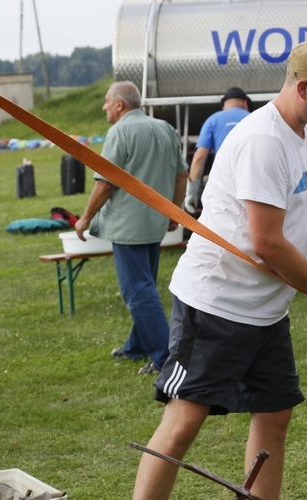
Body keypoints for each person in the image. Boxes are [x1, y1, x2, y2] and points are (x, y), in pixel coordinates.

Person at [132, 39, 307, 500]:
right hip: (216, 303)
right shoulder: (262, 141)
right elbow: (268, 243)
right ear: (305, 87)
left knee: (274, 413)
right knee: (183, 423)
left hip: (265, 312)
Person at [75, 81, 188, 375]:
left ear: (120, 105)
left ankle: (166, 359)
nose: (104, 108)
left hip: (129, 226)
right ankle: (136, 347)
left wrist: (85, 217)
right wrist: (173, 211)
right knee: (145, 286)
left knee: (136, 291)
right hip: (155, 222)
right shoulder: (164, 128)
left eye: (106, 102)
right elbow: (181, 175)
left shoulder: (119, 132)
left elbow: (105, 183)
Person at [184, 86, 251, 213]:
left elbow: (199, 157)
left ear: (224, 106)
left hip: (225, 184)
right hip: (253, 182)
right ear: (245, 103)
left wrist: (191, 193)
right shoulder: (255, 118)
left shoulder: (213, 120)